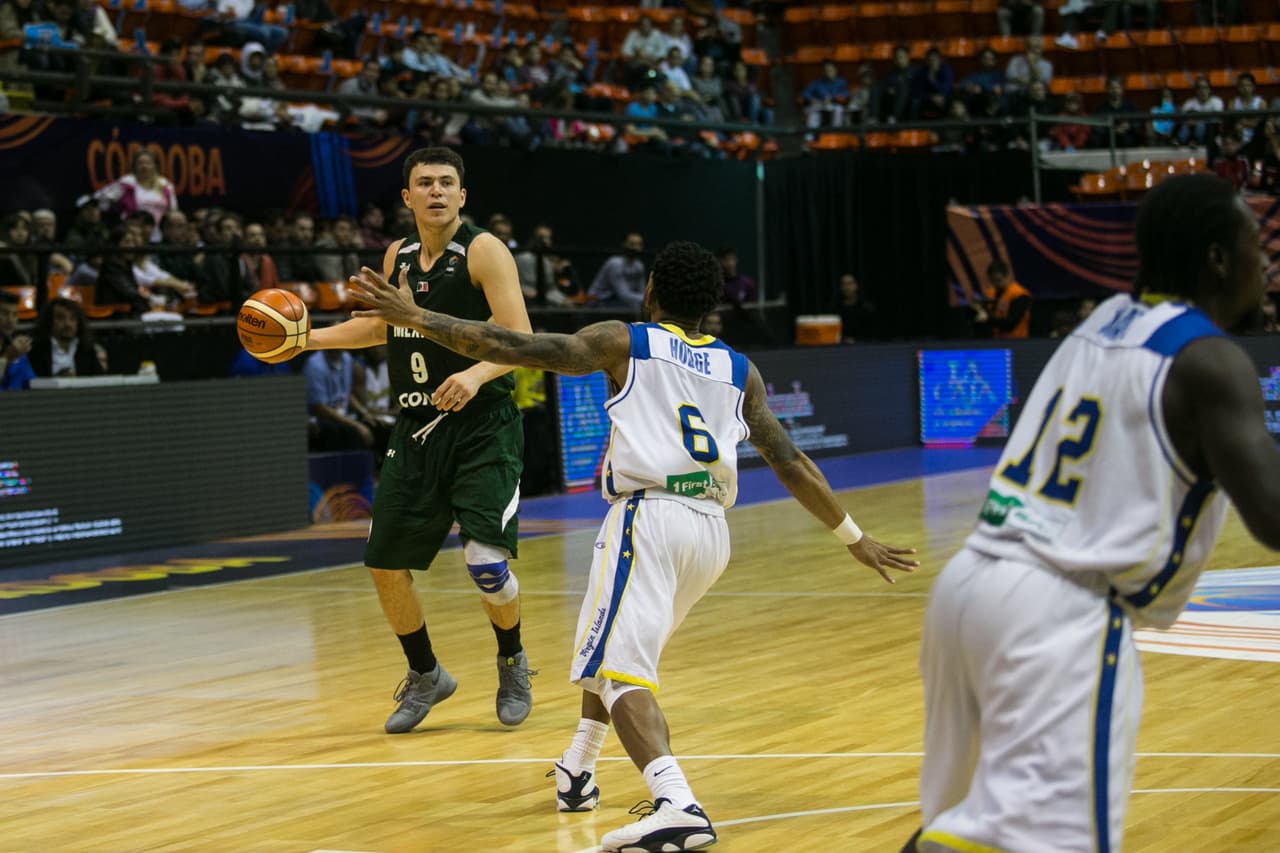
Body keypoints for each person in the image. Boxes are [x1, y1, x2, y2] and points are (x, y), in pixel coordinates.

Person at [348, 240, 918, 853]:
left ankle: (678, 803)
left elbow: (516, 346)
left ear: (650, 291)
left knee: (620, 671)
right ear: (711, 306)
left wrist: (419, 319)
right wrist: (853, 537)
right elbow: (791, 461)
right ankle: (578, 767)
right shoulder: (738, 368)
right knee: (617, 655)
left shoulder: (627, 340)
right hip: (709, 534)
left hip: (649, 518)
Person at [903, 174, 1279, 853]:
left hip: (969, 587)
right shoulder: (1211, 360)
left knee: (957, 829)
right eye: (1258, 244)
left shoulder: (1103, 318)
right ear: (1220, 258)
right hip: (1058, 610)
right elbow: (1274, 517)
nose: (1268, 259)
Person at [296, 146, 536, 733]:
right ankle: (427, 674)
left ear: (462, 195)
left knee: (483, 561)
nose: (435, 191)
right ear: (406, 198)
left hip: (483, 428)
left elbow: (522, 337)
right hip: (416, 430)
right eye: (424, 183)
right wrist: (306, 339)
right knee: (384, 564)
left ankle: (512, 660)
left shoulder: (482, 250)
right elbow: (380, 325)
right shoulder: (398, 254)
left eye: (446, 183)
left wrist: (476, 373)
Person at [92, 149, 178, 242]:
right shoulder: (127, 183)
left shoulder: (165, 185)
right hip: (134, 237)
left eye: (148, 163)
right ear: (134, 166)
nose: (144, 166)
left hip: (160, 236)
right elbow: (100, 198)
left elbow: (174, 211)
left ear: (154, 166)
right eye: (140, 163)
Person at [27, 296, 106, 377]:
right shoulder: (36, 350)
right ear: (49, 321)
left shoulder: (87, 350)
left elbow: (101, 381)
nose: (68, 324)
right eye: (61, 318)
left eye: (72, 318)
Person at [587, 233, 648, 310]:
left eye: (639, 244)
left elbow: (642, 292)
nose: (636, 248)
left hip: (619, 302)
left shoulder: (639, 265)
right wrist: (646, 300)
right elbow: (623, 295)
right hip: (598, 303)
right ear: (624, 244)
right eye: (632, 244)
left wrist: (646, 300)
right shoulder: (615, 264)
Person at [977, 259, 1031, 338]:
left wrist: (987, 319)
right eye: (992, 281)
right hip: (997, 341)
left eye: (998, 280)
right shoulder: (990, 293)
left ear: (1007, 276)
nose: (996, 284)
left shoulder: (1019, 294)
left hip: (1017, 341)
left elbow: (1011, 323)